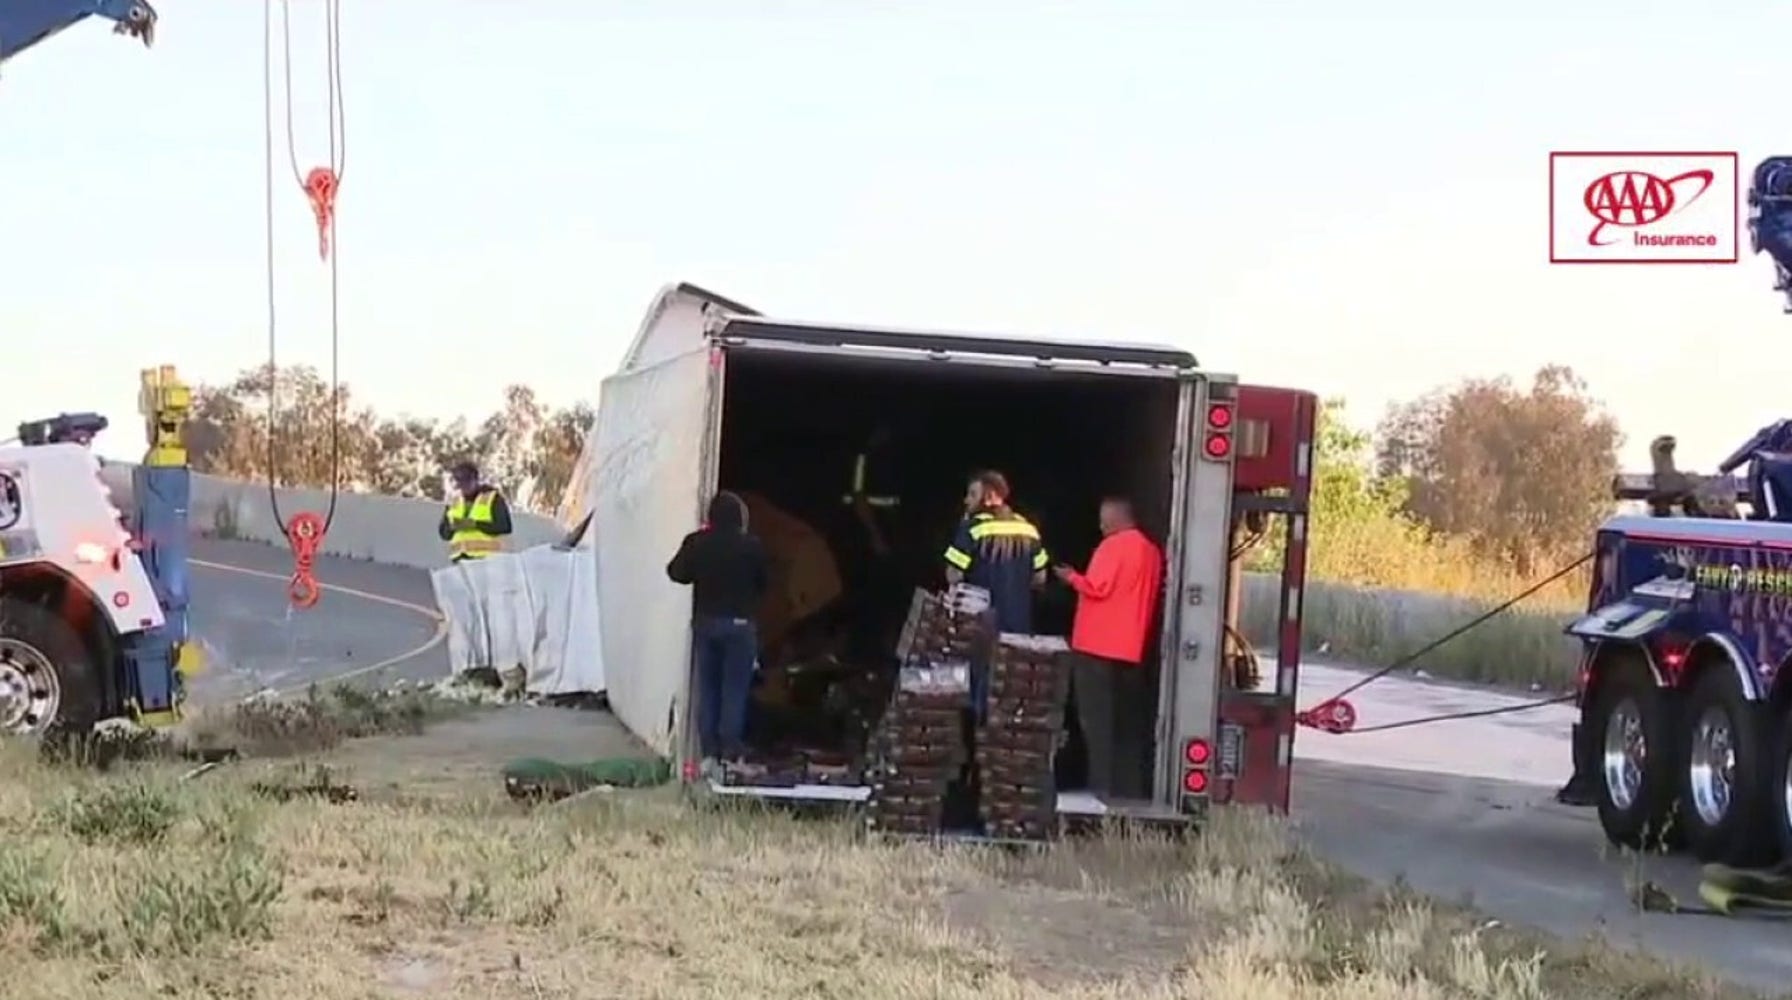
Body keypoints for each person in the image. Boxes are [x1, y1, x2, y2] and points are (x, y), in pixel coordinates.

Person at [1053, 497, 1164, 799]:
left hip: (1096, 649)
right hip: (1131, 651)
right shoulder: (1152, 551)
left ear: (1117, 520)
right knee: (1127, 728)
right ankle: (1129, 791)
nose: (1100, 526)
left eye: (1104, 520)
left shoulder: (1112, 547)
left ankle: (1101, 791)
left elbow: (1098, 587)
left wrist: (1070, 577)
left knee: (1097, 727)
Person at [666, 491, 770, 775]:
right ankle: (731, 754)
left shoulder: (698, 543)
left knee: (708, 689)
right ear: (740, 519)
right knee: (734, 690)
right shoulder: (752, 546)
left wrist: (698, 546)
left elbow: (675, 572)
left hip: (706, 624)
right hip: (739, 626)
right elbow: (764, 583)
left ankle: (709, 754)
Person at [943, 471, 1049, 715]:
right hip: (1020, 627)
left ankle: (979, 734)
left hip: (983, 625)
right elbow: (1040, 578)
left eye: (972, 494)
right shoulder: (1029, 530)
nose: (966, 501)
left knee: (981, 690)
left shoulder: (973, 528)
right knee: (1012, 690)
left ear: (990, 496)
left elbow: (953, 574)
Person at [437, 461, 514, 563]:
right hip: (460, 559)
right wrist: (452, 527)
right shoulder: (454, 501)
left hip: (486, 559)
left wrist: (475, 524)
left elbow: (504, 526)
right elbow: (444, 533)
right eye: (459, 481)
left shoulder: (492, 498)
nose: (463, 485)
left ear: (476, 480)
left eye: (467, 480)